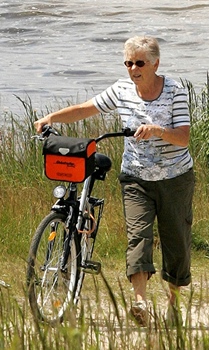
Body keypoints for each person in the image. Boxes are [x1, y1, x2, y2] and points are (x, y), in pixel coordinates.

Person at [34, 35, 194, 327]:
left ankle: (174, 303)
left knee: (176, 243)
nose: (133, 68)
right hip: (135, 178)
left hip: (175, 178)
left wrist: (158, 130)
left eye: (140, 63)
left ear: (156, 63)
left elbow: (183, 138)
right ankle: (140, 301)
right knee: (138, 237)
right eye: (128, 63)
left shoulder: (175, 91)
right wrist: (51, 117)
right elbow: (87, 108)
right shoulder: (122, 90)